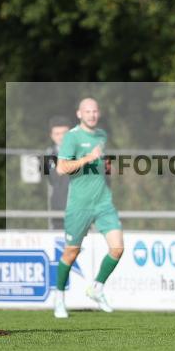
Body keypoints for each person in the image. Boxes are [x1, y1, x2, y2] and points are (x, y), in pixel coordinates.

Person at [53, 98, 124, 318]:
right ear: (79, 114)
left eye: (95, 111)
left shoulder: (102, 135)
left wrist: (106, 165)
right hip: (79, 206)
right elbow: (61, 168)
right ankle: (59, 299)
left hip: (103, 202)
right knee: (71, 252)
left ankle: (97, 288)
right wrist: (88, 158)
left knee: (118, 248)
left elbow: (101, 163)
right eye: (87, 111)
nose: (92, 115)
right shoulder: (71, 137)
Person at [45, 116, 72, 230]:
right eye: (57, 134)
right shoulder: (48, 154)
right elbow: (53, 178)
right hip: (58, 210)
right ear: (51, 135)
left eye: (64, 133)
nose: (61, 137)